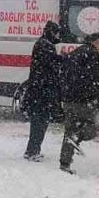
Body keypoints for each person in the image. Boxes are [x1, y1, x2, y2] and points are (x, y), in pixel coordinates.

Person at [58, 33, 99, 175]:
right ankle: (78, 137)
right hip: (83, 100)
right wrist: (97, 97)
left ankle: (64, 163)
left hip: (68, 98)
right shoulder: (93, 54)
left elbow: (65, 74)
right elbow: (92, 79)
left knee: (70, 129)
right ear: (97, 41)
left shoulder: (75, 53)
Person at [22, 21, 63, 161]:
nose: (58, 36)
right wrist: (64, 59)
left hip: (40, 89)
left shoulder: (44, 43)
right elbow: (52, 63)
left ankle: (33, 150)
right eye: (57, 33)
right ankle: (32, 151)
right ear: (51, 32)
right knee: (40, 121)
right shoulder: (45, 45)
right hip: (41, 91)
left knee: (39, 121)